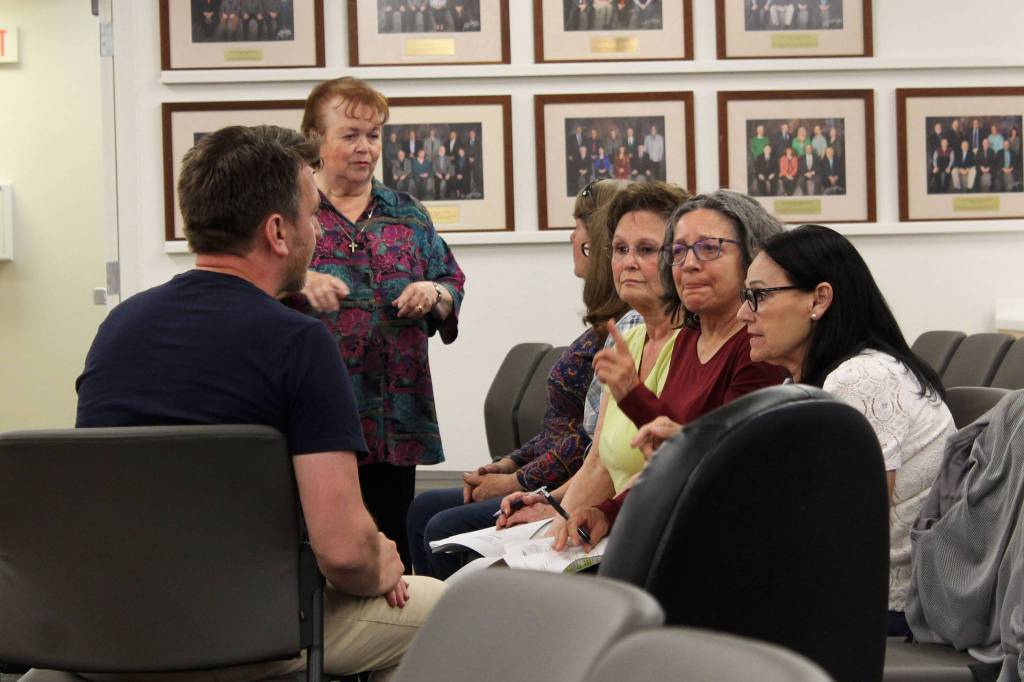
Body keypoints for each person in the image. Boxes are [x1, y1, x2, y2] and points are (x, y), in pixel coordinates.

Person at [75, 124, 445, 680]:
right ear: (277, 231)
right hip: (245, 629)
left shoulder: (117, 328)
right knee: (443, 607)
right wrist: (380, 566)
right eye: (312, 216)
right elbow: (344, 553)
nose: (317, 231)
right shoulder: (299, 342)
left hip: (107, 626)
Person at [502, 189, 786, 550]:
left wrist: (632, 394)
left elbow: (709, 463)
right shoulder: (690, 338)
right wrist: (604, 513)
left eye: (709, 248)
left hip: (711, 542)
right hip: (664, 526)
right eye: (678, 251)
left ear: (751, 258)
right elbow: (660, 459)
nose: (689, 264)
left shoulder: (756, 348)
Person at [734, 224, 954, 637]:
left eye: (759, 296)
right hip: (845, 593)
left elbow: (847, 527)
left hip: (884, 607)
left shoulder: (864, 378)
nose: (743, 313)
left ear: (819, 299)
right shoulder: (807, 382)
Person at [406, 179, 632, 579]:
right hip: (562, 481)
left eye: (578, 227)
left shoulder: (621, 330)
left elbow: (583, 443)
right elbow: (558, 429)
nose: (571, 237)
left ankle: (451, 616)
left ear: (593, 244)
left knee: (438, 521)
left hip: (574, 485)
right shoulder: (603, 327)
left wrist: (517, 481)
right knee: (426, 510)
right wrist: (508, 464)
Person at [296, 77, 466, 570]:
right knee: (319, 552)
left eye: (373, 135)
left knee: (393, 552)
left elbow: (450, 280)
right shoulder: (295, 212)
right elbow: (255, 286)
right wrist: (299, 281)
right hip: (318, 416)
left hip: (396, 414)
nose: (365, 147)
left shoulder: (407, 214)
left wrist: (434, 293)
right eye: (350, 134)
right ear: (315, 139)